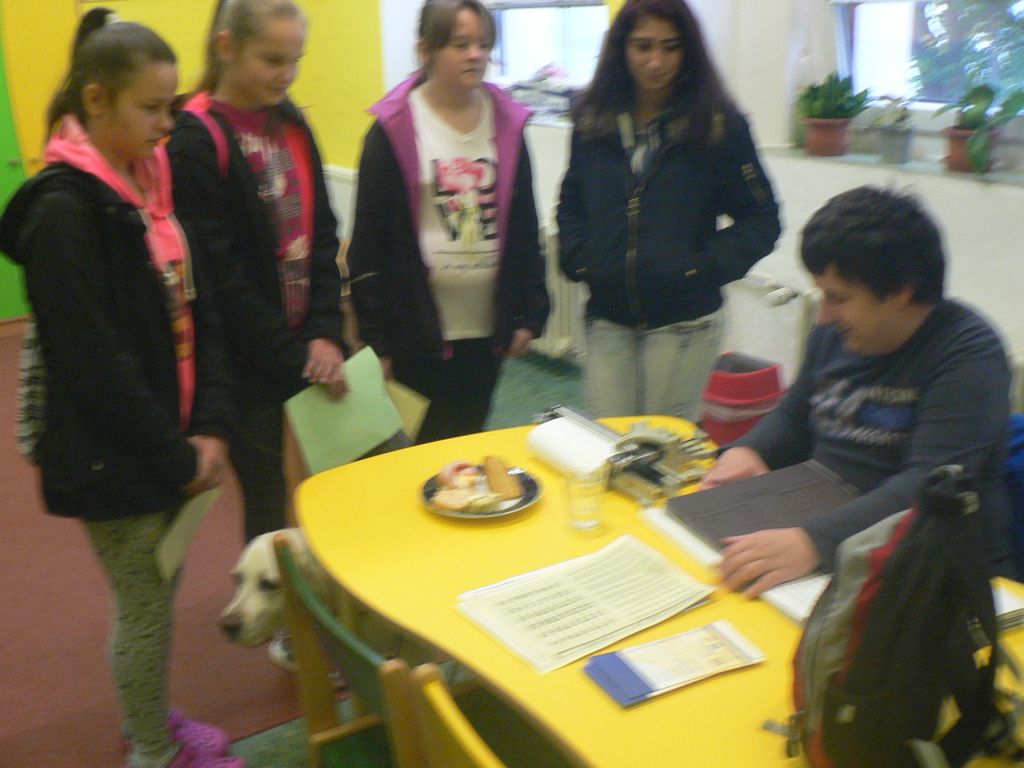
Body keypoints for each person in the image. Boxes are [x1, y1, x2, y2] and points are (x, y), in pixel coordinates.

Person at [0, 10, 242, 768]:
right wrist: (177, 456)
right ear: (97, 101)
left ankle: (149, 721)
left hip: (166, 437)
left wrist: (209, 424)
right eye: (152, 108)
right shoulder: (64, 215)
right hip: (113, 453)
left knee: (158, 594)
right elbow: (98, 365)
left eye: (173, 106)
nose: (168, 124)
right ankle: (152, 750)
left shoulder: (146, 182)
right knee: (145, 607)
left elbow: (193, 310)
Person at [702, 185, 1015, 596]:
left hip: (929, 567)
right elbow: (795, 414)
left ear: (901, 292)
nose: (825, 316)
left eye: (838, 298)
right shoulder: (838, 333)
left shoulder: (969, 354)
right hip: (825, 528)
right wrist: (751, 451)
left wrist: (814, 542)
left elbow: (927, 487)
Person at [168, 0, 346, 543]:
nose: (287, 75)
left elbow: (322, 234)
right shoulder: (195, 138)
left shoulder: (292, 120)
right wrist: (295, 358)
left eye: (295, 60)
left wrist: (325, 331)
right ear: (227, 47)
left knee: (337, 482)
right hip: (247, 361)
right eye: (272, 60)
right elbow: (221, 279)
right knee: (268, 495)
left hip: (307, 345)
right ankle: (270, 594)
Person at [556, 0, 780, 422]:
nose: (656, 62)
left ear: (688, 50)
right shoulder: (592, 121)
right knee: (610, 445)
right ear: (622, 48)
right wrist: (581, 260)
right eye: (643, 46)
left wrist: (698, 268)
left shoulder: (719, 125)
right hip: (608, 317)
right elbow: (572, 201)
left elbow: (762, 219)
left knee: (661, 450)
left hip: (684, 323)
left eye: (671, 47)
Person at [347, 0, 550, 444]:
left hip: (485, 326)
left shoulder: (509, 123)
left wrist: (528, 312)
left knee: (468, 437)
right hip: (415, 329)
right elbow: (368, 246)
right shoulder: (391, 129)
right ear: (426, 50)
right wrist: (376, 340)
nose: (476, 55)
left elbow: (524, 227)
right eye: (460, 44)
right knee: (421, 448)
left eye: (483, 44)